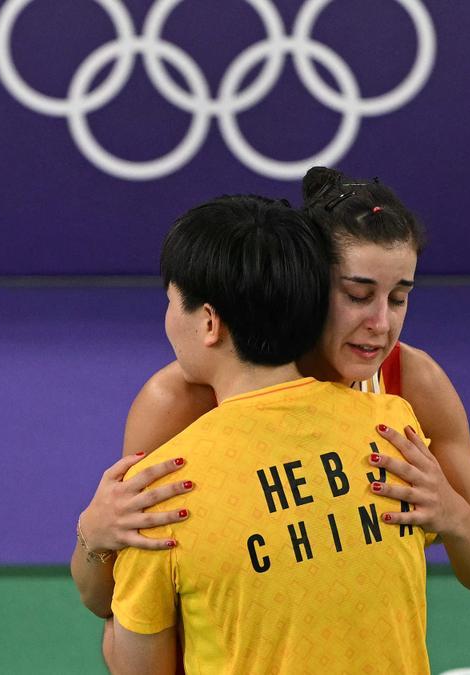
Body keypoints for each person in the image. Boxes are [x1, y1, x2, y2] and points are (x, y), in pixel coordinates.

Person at [71, 167, 470, 631]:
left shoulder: (410, 382)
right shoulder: (181, 401)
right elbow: (114, 606)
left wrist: (454, 516)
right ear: (307, 282)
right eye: (357, 295)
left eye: (398, 299)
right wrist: (93, 536)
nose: (381, 323)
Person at [105, 193, 432, 673]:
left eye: (172, 302)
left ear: (210, 322)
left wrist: (96, 547)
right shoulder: (393, 428)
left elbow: (136, 665)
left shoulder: (161, 491)